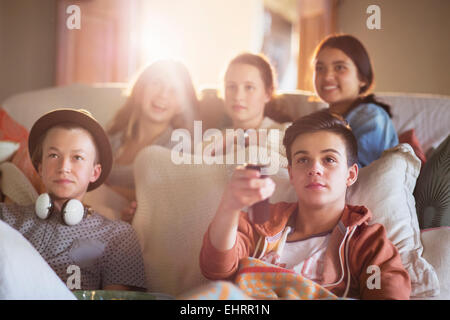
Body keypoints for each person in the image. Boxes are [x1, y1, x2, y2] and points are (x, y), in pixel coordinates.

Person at [199, 110, 411, 299]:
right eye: (302, 160)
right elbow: (217, 270)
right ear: (291, 173)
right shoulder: (261, 222)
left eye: (329, 159)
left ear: (351, 174)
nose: (315, 169)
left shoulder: (368, 244)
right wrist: (229, 206)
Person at [0, 109, 147, 291]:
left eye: (77, 157)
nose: (64, 167)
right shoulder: (5, 217)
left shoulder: (117, 236)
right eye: (54, 156)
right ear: (40, 168)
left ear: (94, 173)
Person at [106, 60, 199, 211]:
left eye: (174, 90)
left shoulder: (179, 146)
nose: (163, 94)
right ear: (139, 90)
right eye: (157, 83)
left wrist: (105, 192)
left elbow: (165, 198)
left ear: (182, 105)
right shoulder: (113, 139)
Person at [312, 34, 398, 167]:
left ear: (362, 78)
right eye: (320, 68)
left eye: (339, 67)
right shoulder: (318, 119)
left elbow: (356, 171)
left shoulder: (371, 116)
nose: (327, 76)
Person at [203, 53, 291, 165]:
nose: (238, 96)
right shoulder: (213, 139)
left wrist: (242, 138)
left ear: (268, 93)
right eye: (231, 87)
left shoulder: (286, 132)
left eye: (249, 87)